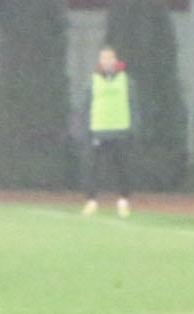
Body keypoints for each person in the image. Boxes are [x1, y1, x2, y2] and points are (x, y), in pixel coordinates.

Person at [82, 46, 134, 219]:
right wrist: (86, 128)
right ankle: (91, 201)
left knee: (123, 168)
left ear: (115, 60)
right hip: (98, 130)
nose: (106, 62)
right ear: (100, 61)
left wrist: (134, 127)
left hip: (120, 129)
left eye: (109, 58)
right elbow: (86, 105)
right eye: (103, 59)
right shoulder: (92, 80)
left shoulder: (126, 80)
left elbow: (133, 104)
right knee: (93, 167)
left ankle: (123, 201)